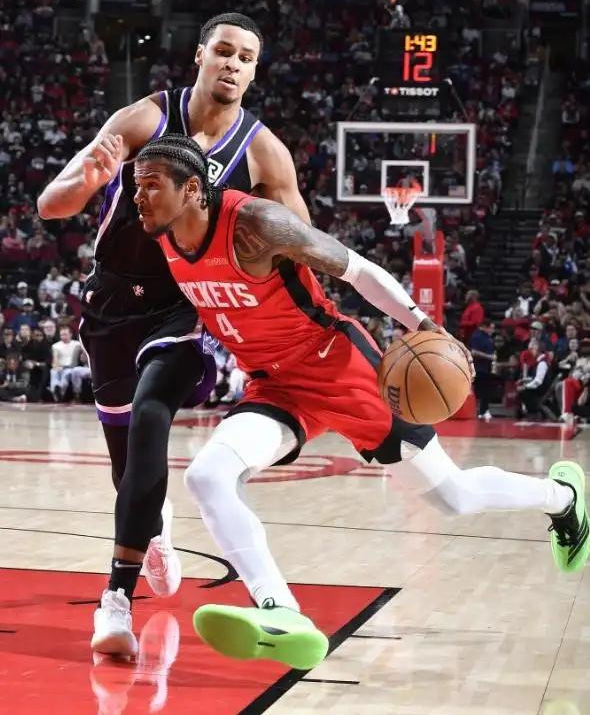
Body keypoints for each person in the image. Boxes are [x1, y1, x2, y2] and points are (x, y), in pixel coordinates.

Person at [130, 134, 587, 671]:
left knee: (453, 497)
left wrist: (423, 324)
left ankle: (562, 498)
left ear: (191, 189)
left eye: (149, 185)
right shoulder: (164, 238)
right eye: (135, 186)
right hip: (273, 387)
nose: (138, 197)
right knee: (207, 476)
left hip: (341, 369)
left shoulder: (257, 224)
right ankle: (282, 612)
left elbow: (359, 271)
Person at [37, 13, 311, 655]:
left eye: (247, 57)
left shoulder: (263, 151)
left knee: (152, 419)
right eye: (224, 51)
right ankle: (153, 529)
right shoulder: (143, 119)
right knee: (127, 458)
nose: (234, 64)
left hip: (185, 304)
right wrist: (89, 180)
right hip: (112, 300)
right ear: (200, 55)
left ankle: (115, 604)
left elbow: (303, 247)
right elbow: (52, 204)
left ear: (254, 71)